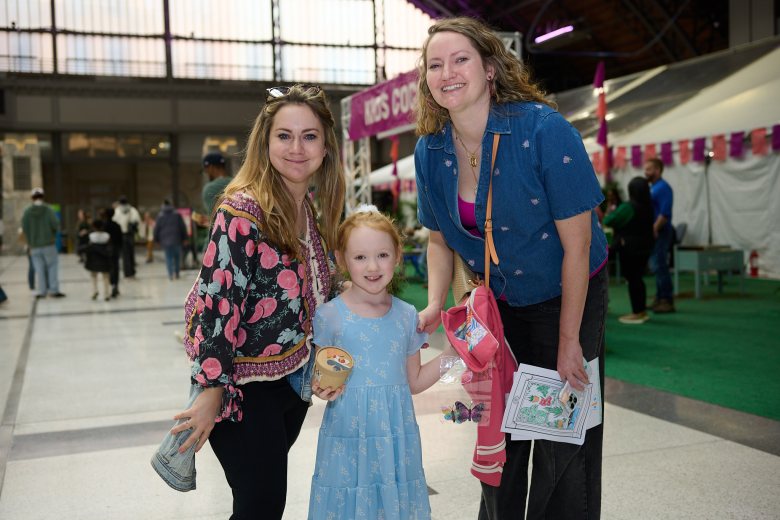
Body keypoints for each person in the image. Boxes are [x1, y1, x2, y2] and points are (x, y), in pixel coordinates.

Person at [413, 17, 608, 519]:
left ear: (491, 68)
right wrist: (436, 301)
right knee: (499, 423)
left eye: (460, 60)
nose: (447, 72)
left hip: (567, 289)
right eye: (436, 64)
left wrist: (570, 343)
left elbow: (578, 248)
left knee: (562, 432)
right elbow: (438, 238)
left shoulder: (542, 130)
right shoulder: (430, 150)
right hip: (496, 303)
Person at [169, 84, 345, 519]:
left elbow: (318, 292)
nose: (297, 148)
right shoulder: (243, 210)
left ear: (326, 147)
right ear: (265, 143)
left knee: (259, 504)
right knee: (261, 506)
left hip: (291, 383)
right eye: (284, 135)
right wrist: (212, 391)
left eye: (309, 136)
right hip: (241, 389)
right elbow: (217, 303)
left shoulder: (310, 210)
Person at [308, 207, 450, 519]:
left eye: (382, 255)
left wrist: (452, 356)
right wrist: (320, 389)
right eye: (360, 257)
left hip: (395, 435)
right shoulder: (329, 316)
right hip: (348, 434)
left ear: (398, 256)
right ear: (342, 259)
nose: (373, 266)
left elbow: (414, 382)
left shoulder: (406, 315)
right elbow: (319, 380)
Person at [604, 177, 654, 324]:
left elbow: (609, 220)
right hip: (645, 247)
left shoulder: (629, 207)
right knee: (638, 278)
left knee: (633, 279)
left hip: (630, 247)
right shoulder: (648, 206)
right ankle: (641, 310)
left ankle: (637, 312)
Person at [21, 188, 66, 299]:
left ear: (32, 198)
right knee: (52, 267)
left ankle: (42, 291)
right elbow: (56, 224)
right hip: (49, 244)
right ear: (43, 196)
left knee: (39, 268)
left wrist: (30, 241)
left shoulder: (27, 212)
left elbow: (24, 228)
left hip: (34, 246)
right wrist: (52, 235)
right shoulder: (48, 209)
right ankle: (54, 290)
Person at [644, 157, 675, 313]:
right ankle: (660, 297)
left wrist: (655, 228)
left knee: (660, 264)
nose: (646, 172)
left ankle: (666, 299)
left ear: (657, 170)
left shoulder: (663, 188)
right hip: (656, 231)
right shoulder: (654, 187)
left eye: (649, 169)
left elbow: (665, 213)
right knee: (657, 265)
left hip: (661, 231)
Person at [153, 200, 187, 280]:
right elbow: (183, 227)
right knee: (177, 257)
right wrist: (185, 238)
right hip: (177, 240)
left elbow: (156, 229)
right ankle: (177, 273)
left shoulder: (160, 216)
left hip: (165, 241)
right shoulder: (177, 214)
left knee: (168, 258)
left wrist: (156, 240)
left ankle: (170, 275)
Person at [112, 195, 141, 279]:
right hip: (130, 234)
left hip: (122, 235)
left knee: (125, 254)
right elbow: (137, 221)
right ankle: (132, 271)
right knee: (131, 253)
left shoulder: (117, 211)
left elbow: (115, 221)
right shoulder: (132, 210)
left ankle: (127, 272)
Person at [84, 219, 113, 301]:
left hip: (94, 259)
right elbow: (109, 246)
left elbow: (89, 247)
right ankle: (106, 294)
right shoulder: (107, 235)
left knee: (93, 276)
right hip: (104, 258)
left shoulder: (91, 236)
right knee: (106, 276)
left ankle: (94, 291)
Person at [99, 207, 123, 298]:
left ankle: (109, 285)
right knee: (115, 267)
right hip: (115, 249)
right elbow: (120, 239)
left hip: (106, 250)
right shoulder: (117, 225)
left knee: (108, 268)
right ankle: (115, 285)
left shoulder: (104, 225)